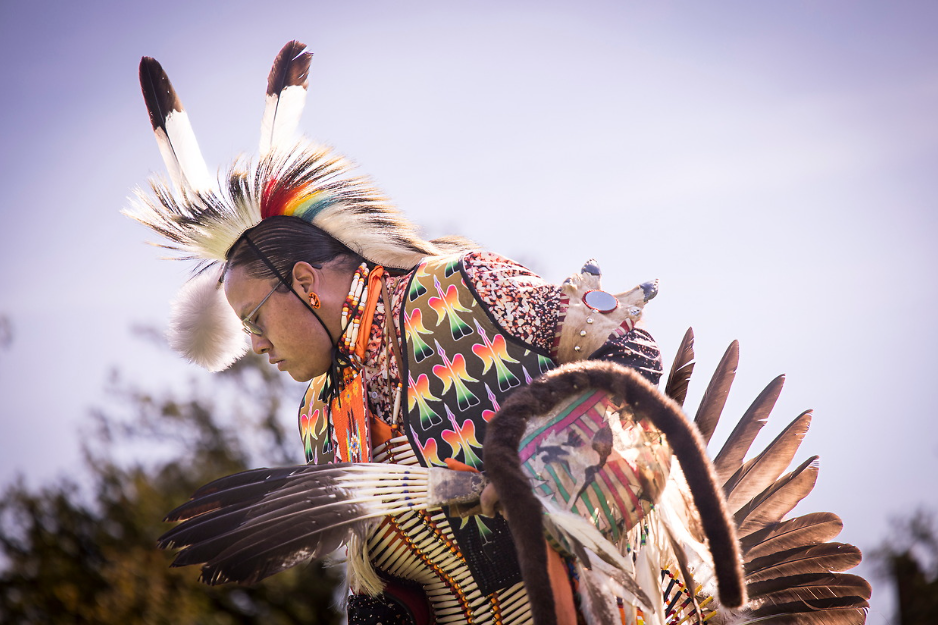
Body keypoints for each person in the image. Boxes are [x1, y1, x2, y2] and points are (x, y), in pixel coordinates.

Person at [132, 42, 870, 625]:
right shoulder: (324, 420)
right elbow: (384, 589)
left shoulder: (458, 291)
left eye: (255, 318)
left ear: (303, 283)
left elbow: (629, 356)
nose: (254, 345)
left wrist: (541, 470)